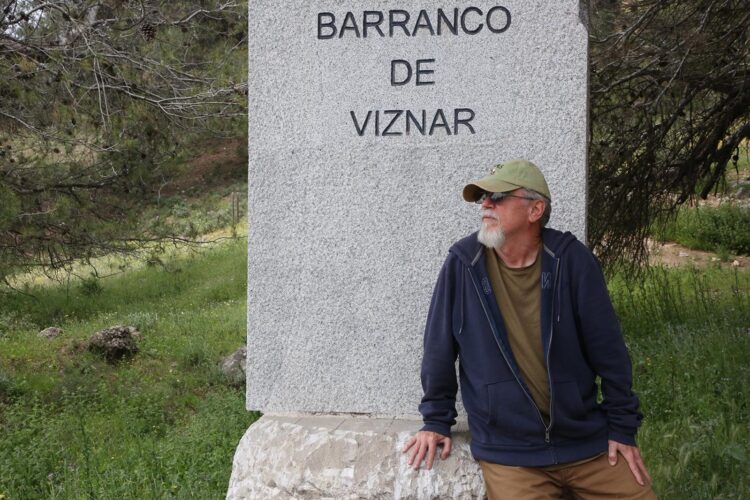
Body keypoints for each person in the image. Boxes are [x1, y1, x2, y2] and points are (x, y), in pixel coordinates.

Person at [402, 160, 656, 499]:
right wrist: (435, 420)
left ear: (535, 210)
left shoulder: (571, 261)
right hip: (511, 454)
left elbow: (609, 352)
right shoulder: (464, 263)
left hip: (585, 445)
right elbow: (439, 348)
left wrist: (623, 428)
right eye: (484, 198)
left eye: (498, 196)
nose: (486, 205)